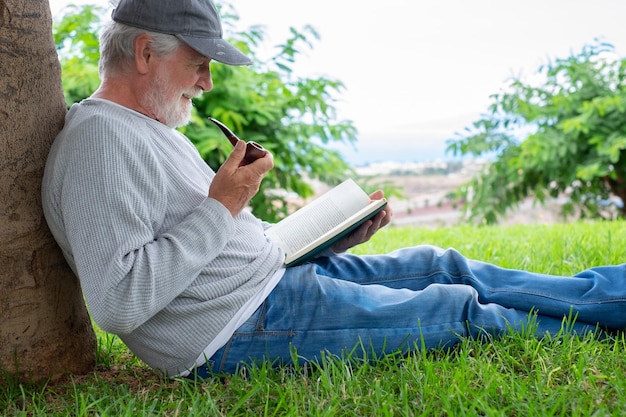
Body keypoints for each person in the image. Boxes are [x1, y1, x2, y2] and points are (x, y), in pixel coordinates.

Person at [42, 0, 626, 379]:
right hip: (236, 326)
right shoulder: (100, 141)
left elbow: (202, 248)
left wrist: (324, 240)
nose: (207, 82)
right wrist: (224, 204)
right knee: (455, 311)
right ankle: (600, 324)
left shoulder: (144, 126)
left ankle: (614, 295)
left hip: (268, 282)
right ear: (146, 52)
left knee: (440, 263)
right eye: (198, 64)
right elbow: (117, 303)